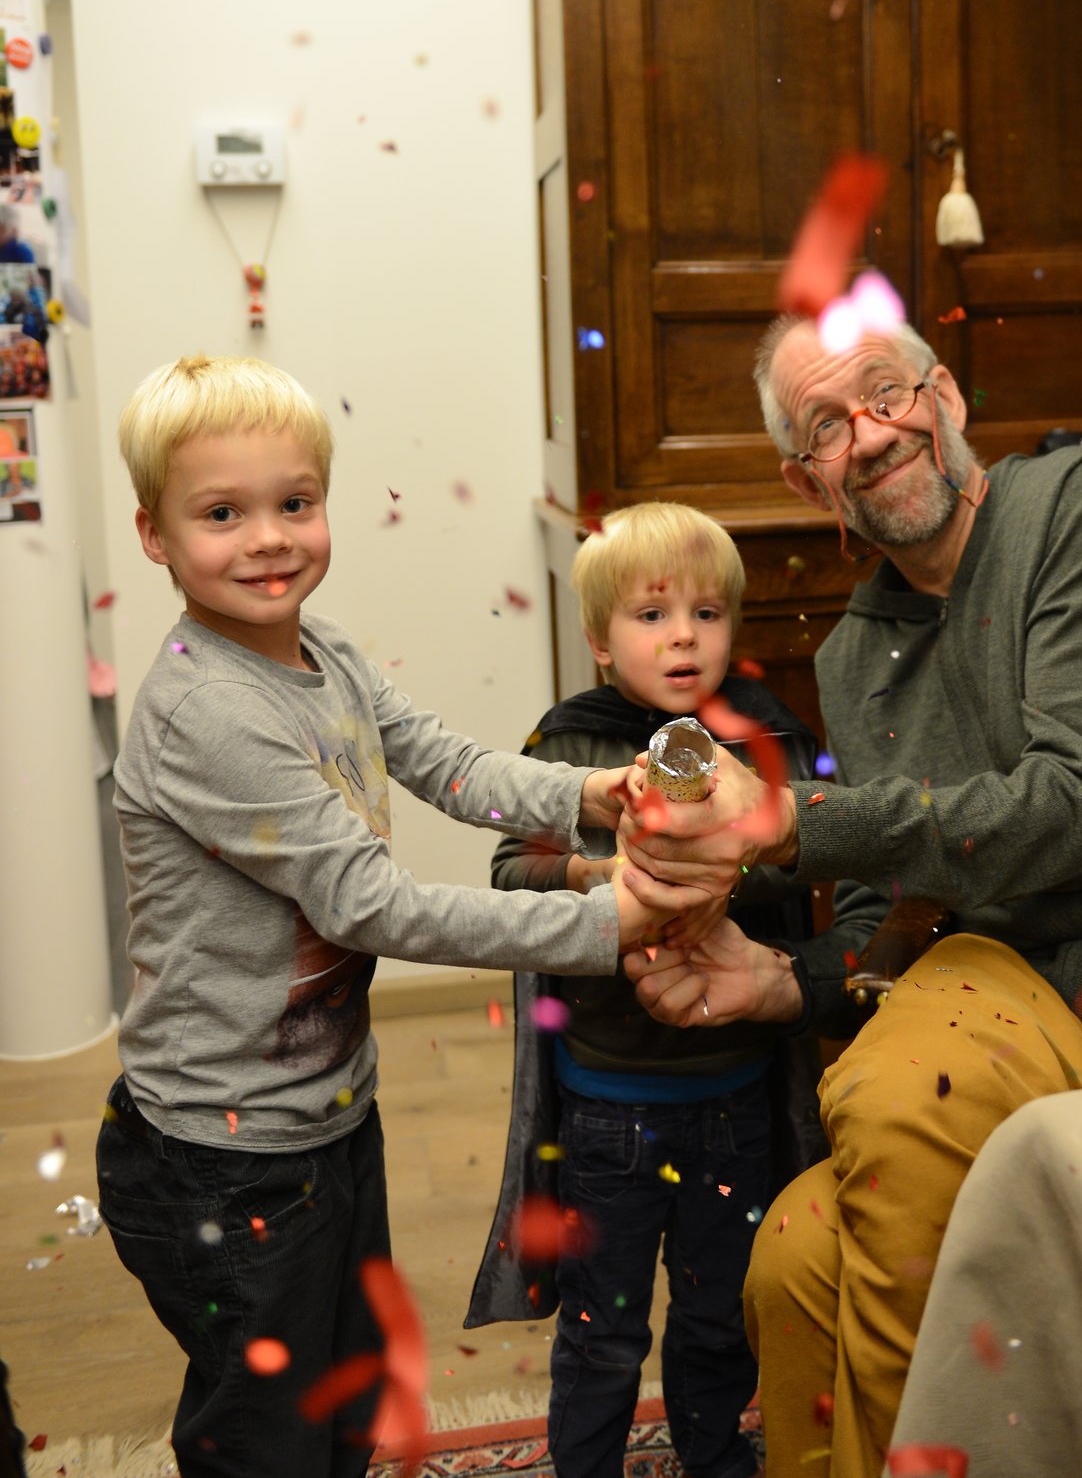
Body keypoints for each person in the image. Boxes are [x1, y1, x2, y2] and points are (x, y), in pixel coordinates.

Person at [620, 313, 1082, 1477]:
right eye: (827, 425)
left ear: (948, 396)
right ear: (802, 476)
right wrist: (784, 981)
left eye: (885, 392)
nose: (869, 435)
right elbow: (886, 911)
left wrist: (782, 821)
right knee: (790, 1258)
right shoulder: (854, 651)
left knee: (827, 1234)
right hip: (1016, 983)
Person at [96, 355, 700, 1478]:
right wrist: (606, 927)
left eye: (294, 503)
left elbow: (438, 759)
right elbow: (373, 908)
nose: (269, 537)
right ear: (154, 535)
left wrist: (583, 793)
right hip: (220, 1156)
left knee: (346, 1394)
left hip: (323, 1117)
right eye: (222, 514)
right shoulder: (209, 712)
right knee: (262, 1434)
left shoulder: (319, 651)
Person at [467, 502, 825, 1478]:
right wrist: (596, 876)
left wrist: (734, 858)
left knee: (720, 1317)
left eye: (706, 615)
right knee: (601, 1327)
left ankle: (716, 1460)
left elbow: (815, 873)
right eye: (651, 614)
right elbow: (509, 873)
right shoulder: (569, 743)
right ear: (596, 637)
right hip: (607, 1106)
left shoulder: (769, 739)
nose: (681, 637)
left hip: (734, 1095)